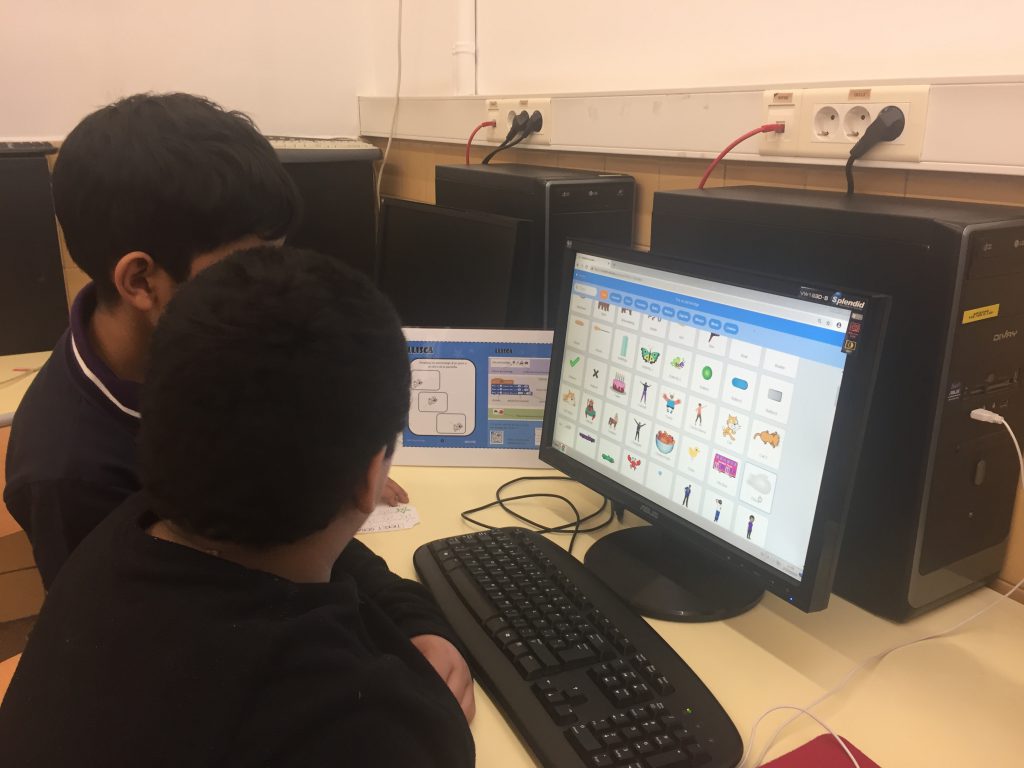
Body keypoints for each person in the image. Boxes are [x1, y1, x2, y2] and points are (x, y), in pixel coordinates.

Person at [0, 247, 475, 766]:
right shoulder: (364, 727)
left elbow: (334, 562)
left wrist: (412, 615)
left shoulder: (125, 528)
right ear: (370, 476)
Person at [2, 92, 407, 588]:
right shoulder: (68, 474)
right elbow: (134, 624)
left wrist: (335, 478)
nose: (270, 281)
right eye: (245, 264)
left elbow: (287, 520)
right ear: (140, 282)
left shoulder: (221, 353)